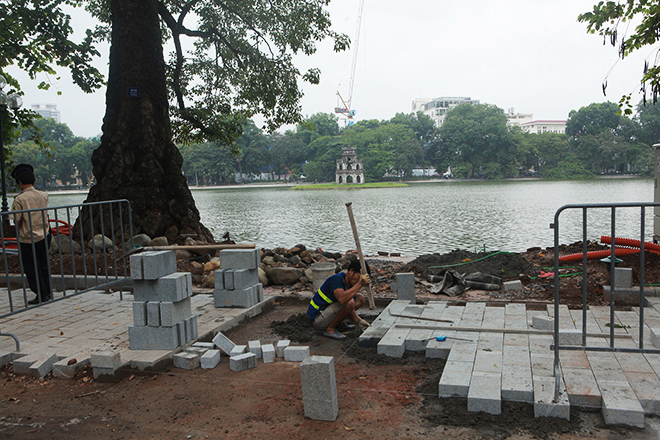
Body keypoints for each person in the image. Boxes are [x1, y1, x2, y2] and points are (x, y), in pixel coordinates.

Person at [11, 164, 52, 305]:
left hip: (28, 237)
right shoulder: (43, 195)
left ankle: (41, 293)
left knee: (32, 267)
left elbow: (17, 220)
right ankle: (48, 290)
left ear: (20, 182)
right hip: (44, 233)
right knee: (43, 263)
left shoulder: (19, 199)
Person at [306, 259, 371, 340]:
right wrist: (360, 284)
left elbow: (351, 309)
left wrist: (359, 321)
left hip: (327, 314)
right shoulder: (336, 279)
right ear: (351, 271)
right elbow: (342, 299)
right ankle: (330, 329)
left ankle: (338, 324)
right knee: (349, 302)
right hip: (317, 319)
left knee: (360, 298)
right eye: (359, 277)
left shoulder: (350, 284)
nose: (359, 280)